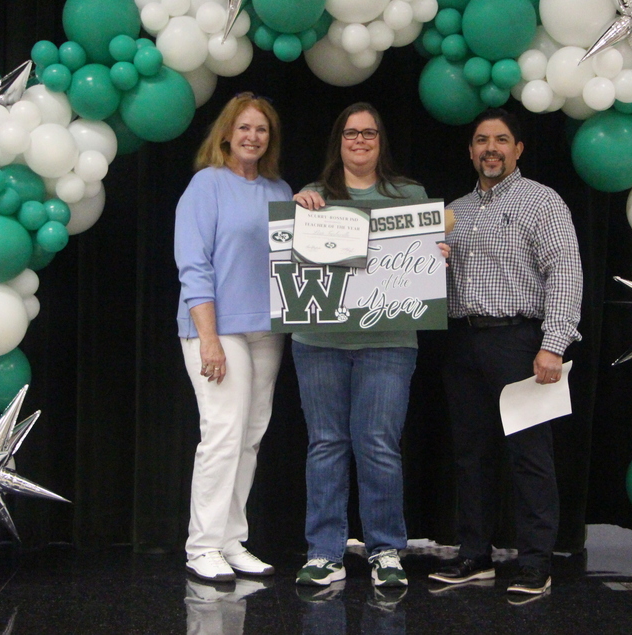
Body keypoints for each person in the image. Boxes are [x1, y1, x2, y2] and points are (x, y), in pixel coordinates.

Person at [428, 108, 582, 597]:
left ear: (518, 149)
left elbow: (565, 272)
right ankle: (475, 555)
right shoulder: (453, 211)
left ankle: (536, 563)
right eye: (480, 140)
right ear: (470, 150)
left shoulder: (542, 202)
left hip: (520, 341)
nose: (489, 148)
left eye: (500, 139)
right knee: (470, 454)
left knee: (529, 455)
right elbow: (422, 282)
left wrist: (552, 345)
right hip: (463, 339)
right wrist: (431, 262)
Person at [291, 103, 443, 589]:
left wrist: (435, 252)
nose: (360, 141)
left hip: (389, 341)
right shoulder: (313, 196)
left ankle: (385, 551)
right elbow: (285, 254)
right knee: (326, 445)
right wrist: (295, 213)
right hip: (317, 341)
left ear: (381, 142)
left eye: (369, 133)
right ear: (338, 141)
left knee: (377, 444)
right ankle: (324, 552)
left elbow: (428, 260)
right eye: (351, 133)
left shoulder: (410, 195)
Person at [175, 92, 294, 582]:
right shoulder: (208, 185)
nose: (252, 137)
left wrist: (306, 208)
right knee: (222, 435)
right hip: (217, 329)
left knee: (250, 436)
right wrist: (208, 340)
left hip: (267, 329)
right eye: (244, 128)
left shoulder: (279, 189)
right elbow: (193, 264)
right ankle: (201, 545)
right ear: (226, 133)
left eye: (261, 130)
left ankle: (231, 539)